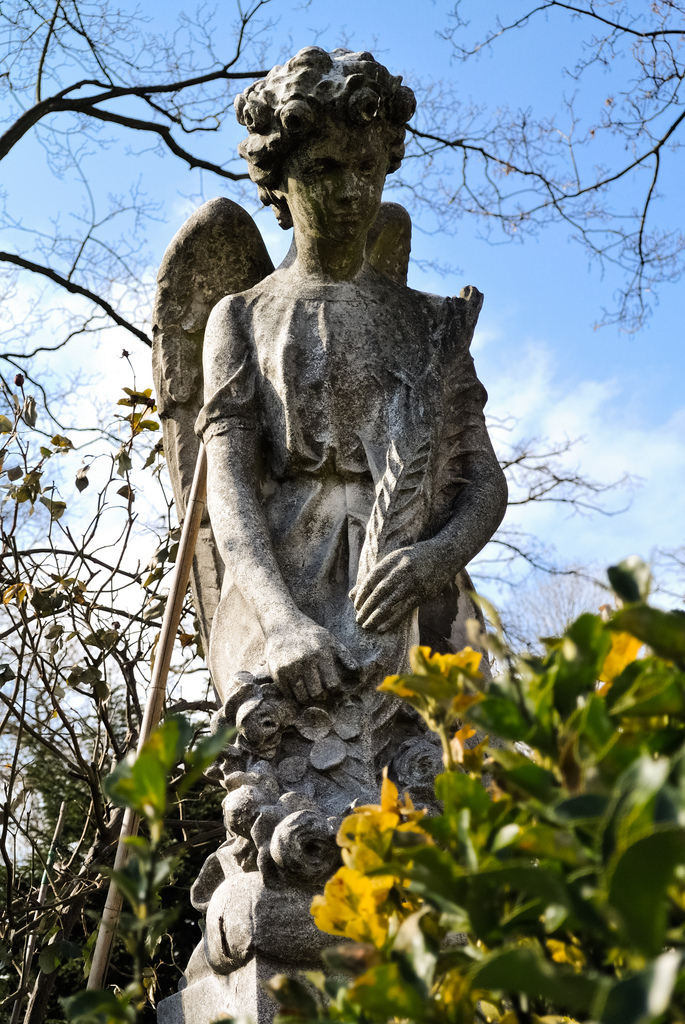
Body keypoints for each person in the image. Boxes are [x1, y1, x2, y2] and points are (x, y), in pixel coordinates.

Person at [196, 47, 507, 708]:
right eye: (323, 169)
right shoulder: (242, 318)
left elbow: (481, 480)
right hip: (282, 590)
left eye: (366, 167)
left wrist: (438, 557)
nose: (349, 191)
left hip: (410, 597)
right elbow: (228, 494)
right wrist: (280, 625)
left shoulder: (429, 322)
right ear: (279, 179)